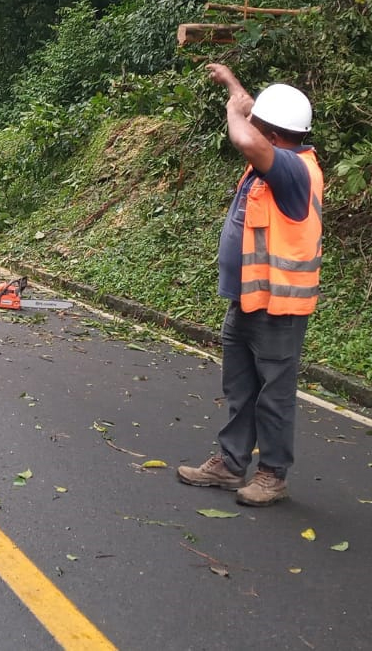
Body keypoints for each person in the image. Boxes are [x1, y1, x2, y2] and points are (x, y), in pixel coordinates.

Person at [177, 64, 323, 507]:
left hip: (278, 307)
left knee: (274, 395)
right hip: (248, 299)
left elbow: (244, 135)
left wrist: (232, 110)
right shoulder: (274, 159)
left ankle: (272, 474)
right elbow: (253, 127)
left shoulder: (293, 171)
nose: (250, 129)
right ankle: (231, 462)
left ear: (274, 138)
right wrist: (234, 86)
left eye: (260, 125)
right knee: (240, 386)